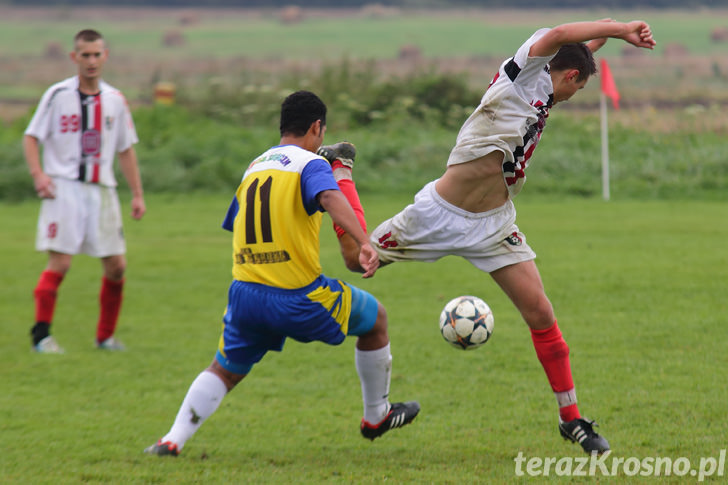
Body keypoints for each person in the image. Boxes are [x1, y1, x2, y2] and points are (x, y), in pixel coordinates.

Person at [330, 20, 656, 454]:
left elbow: (576, 50)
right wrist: (619, 28)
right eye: (577, 86)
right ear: (570, 76)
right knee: (357, 259)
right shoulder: (522, 75)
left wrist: (604, 43)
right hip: (437, 216)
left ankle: (571, 419)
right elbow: (560, 37)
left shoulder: (551, 84)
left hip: (494, 225)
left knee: (541, 312)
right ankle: (340, 171)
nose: (572, 94)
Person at [144, 90, 419, 457]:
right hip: (298, 297)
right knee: (376, 320)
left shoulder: (254, 166)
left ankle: (171, 440)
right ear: (317, 128)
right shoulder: (311, 164)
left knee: (225, 369)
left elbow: (236, 221)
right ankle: (376, 417)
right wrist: (362, 240)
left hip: (245, 294)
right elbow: (329, 197)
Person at [23, 29, 145, 354]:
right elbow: (31, 136)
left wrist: (137, 194)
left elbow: (125, 150)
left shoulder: (116, 100)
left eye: (96, 54)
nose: (91, 61)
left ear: (105, 56)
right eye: (85, 55)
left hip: (102, 191)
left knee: (117, 266)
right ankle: (41, 336)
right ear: (74, 57)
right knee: (60, 263)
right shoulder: (57, 95)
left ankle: (105, 337)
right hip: (64, 189)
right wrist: (39, 175)